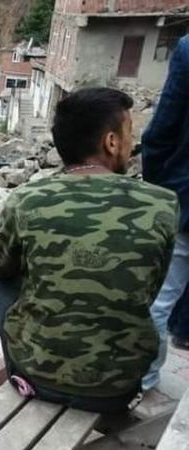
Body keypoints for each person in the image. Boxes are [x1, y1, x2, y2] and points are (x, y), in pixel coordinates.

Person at [0, 87, 178, 414]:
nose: (132, 144)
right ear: (110, 142)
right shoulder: (162, 204)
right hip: (122, 388)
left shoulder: (28, 199)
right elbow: (150, 289)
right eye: (129, 135)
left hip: (35, 378)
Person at [141, 35, 189, 389]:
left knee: (159, 298)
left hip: (185, 198)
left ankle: (143, 383)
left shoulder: (188, 50)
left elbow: (160, 133)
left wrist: (159, 194)